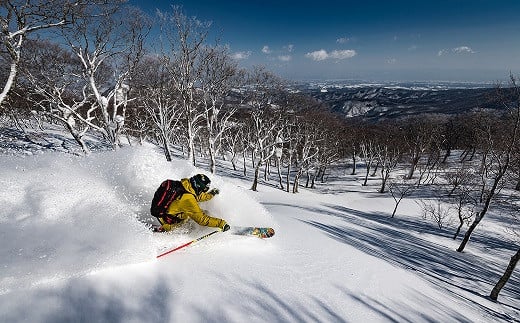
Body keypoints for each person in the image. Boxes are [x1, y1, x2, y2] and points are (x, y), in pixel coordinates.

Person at [154, 174, 230, 233]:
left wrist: (212, 194)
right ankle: (165, 228)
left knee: (203, 212)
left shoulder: (185, 186)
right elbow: (202, 220)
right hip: (170, 222)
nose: (203, 192)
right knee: (203, 215)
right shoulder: (188, 199)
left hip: (166, 213)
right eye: (203, 190)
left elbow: (198, 197)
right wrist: (221, 224)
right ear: (198, 187)